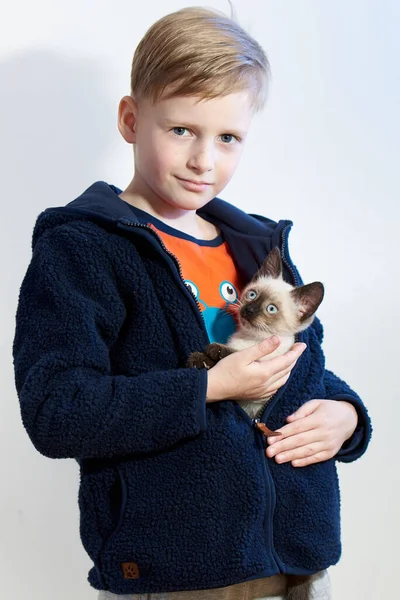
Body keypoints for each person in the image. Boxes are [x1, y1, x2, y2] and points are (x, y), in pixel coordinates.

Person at [12, 6, 371, 600]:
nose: (205, 161)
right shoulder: (84, 248)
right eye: (182, 130)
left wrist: (349, 418)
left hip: (301, 564)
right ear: (131, 119)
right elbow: (58, 410)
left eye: (228, 138)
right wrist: (209, 386)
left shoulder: (258, 247)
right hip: (177, 576)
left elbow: (304, 370)